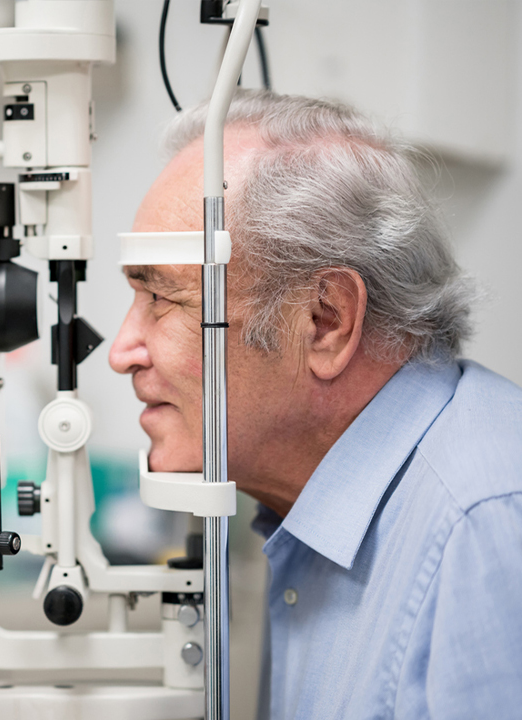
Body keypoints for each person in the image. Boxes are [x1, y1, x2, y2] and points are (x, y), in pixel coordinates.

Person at [109, 90, 522, 719]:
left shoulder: (486, 525)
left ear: (324, 320)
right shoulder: (307, 515)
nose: (122, 351)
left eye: (164, 297)